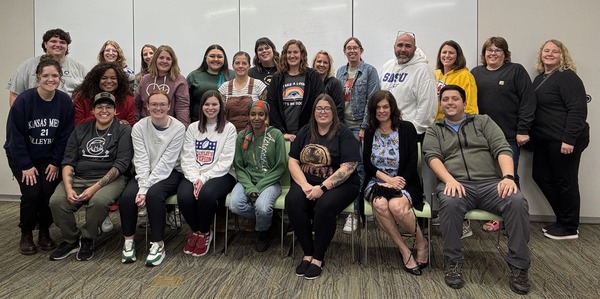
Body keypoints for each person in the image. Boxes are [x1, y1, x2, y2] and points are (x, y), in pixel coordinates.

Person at [423, 85, 531, 295]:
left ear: (464, 103)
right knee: (450, 201)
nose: (450, 102)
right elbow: (432, 157)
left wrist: (508, 177)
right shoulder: (434, 129)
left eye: (455, 98)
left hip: (491, 183)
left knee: (517, 201)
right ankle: (453, 262)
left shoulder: (483, 121)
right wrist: (449, 180)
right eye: (445, 99)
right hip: (456, 183)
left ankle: (519, 266)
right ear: (441, 104)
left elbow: (502, 147)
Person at [48, 92, 133, 262]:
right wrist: (69, 187)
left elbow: (122, 164)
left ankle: (87, 239)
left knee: (98, 202)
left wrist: (94, 188)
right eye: (99, 107)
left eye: (109, 107)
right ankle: (71, 240)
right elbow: (68, 161)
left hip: (111, 179)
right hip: (79, 176)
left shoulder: (123, 130)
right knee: (56, 202)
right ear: (92, 111)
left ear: (115, 111)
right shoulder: (81, 129)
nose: (104, 110)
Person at [4, 54, 75, 255]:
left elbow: (64, 136)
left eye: (54, 75)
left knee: (47, 193)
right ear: (38, 76)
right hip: (22, 156)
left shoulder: (64, 102)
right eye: (45, 76)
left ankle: (44, 231)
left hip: (48, 158)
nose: (50, 79)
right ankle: (26, 233)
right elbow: (15, 137)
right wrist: (25, 165)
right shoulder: (24, 101)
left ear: (60, 77)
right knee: (32, 192)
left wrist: (55, 162)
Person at [287, 94, 360, 280]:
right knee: (293, 201)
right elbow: (293, 161)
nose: (323, 112)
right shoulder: (305, 131)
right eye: (319, 108)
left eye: (327, 108)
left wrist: (323, 187)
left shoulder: (343, 133)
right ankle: (308, 252)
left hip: (341, 184)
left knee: (324, 206)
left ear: (334, 112)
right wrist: (304, 185)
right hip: (307, 182)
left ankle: (318, 257)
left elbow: (349, 167)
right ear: (314, 112)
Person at [471, 37, 535, 233]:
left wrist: (523, 129)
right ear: (484, 54)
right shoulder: (475, 73)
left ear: (505, 54)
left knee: (508, 176)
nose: (493, 53)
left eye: (498, 50)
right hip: (481, 137)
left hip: (508, 136)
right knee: (489, 177)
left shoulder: (516, 71)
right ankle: (496, 217)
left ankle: (514, 221)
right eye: (489, 50)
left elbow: (528, 101)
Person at [361, 90, 427, 276]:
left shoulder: (407, 128)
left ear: (392, 108)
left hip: (404, 181)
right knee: (381, 204)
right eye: (377, 108)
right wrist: (388, 180)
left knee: (397, 207)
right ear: (373, 111)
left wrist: (398, 182)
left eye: (385, 107)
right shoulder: (370, 132)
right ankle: (404, 249)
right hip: (378, 181)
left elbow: (413, 162)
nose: (381, 111)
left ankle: (422, 242)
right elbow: (367, 164)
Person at [119, 90, 185, 266]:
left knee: (154, 196)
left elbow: (167, 162)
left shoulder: (178, 128)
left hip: (170, 172)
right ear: (147, 106)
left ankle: (158, 244)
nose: (158, 108)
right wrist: (142, 185)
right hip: (144, 172)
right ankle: (129, 241)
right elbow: (140, 159)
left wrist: (145, 189)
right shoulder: (139, 127)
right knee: (127, 198)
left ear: (169, 106)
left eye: (162, 104)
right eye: (154, 104)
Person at [531, 40, 589, 240]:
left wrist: (569, 139)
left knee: (566, 181)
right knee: (540, 175)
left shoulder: (567, 77)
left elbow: (578, 109)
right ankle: (563, 218)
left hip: (564, 139)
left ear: (562, 56)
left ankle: (570, 227)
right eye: (546, 50)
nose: (549, 54)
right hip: (546, 140)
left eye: (555, 51)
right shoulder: (540, 79)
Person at [178, 90, 237, 257]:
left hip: (222, 174)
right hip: (194, 174)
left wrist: (203, 179)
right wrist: (196, 178)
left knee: (207, 195)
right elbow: (187, 157)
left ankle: (205, 232)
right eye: (207, 104)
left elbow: (226, 160)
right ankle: (196, 230)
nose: (210, 108)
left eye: (214, 104)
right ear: (201, 106)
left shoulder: (229, 128)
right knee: (184, 196)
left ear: (221, 106)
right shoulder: (192, 128)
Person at [434, 40, 479, 237]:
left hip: (457, 129)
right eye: (444, 52)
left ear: (457, 55)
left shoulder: (465, 75)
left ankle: (465, 222)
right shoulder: (435, 75)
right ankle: (448, 214)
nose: (447, 56)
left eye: (451, 53)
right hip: (437, 129)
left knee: (458, 173)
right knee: (441, 173)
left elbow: (470, 107)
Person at [336, 37, 380, 234]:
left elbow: (372, 100)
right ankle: (341, 208)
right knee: (341, 168)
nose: (352, 51)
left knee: (358, 169)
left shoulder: (369, 71)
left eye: (355, 48)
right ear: (345, 51)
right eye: (348, 48)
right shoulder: (340, 72)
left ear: (361, 50)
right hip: (342, 128)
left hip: (359, 128)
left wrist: (363, 127)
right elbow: (337, 100)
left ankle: (355, 214)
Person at [230, 100, 286, 252]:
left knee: (262, 207)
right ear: (248, 116)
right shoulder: (242, 136)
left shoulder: (276, 135)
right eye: (253, 114)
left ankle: (263, 232)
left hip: (271, 182)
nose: (256, 118)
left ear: (266, 116)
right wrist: (250, 187)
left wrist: (259, 187)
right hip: (247, 181)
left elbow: (281, 166)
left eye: (261, 114)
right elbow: (239, 167)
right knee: (235, 205)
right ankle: (271, 219)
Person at [379, 31, 437, 139]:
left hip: (410, 134)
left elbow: (427, 107)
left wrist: (412, 132)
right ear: (394, 47)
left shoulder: (424, 71)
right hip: (386, 131)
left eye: (408, 46)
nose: (403, 49)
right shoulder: (387, 66)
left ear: (415, 49)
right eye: (400, 45)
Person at [8, 28, 87, 105]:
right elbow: (15, 93)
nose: (58, 45)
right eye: (53, 41)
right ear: (45, 44)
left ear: (67, 46)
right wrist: (18, 115)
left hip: (68, 114)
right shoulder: (28, 66)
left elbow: (88, 94)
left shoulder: (79, 67)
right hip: (35, 114)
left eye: (62, 42)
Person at [267, 39, 324, 142]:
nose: (292, 56)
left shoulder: (312, 76)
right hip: (283, 137)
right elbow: (272, 106)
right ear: (284, 55)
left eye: (296, 52)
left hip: (309, 135)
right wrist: (282, 133)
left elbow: (319, 103)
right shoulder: (277, 78)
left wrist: (308, 130)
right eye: (289, 52)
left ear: (302, 55)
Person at [135, 45, 190, 127]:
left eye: (168, 59)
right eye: (161, 58)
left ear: (173, 62)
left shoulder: (179, 80)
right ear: (155, 59)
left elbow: (182, 108)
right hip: (146, 127)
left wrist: (183, 129)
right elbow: (137, 105)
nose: (164, 61)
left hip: (170, 128)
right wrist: (135, 125)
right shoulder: (145, 79)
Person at [218, 51, 268, 131]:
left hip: (254, 133)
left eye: (244, 63)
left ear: (249, 66)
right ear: (233, 66)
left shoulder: (258, 85)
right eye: (237, 63)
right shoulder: (224, 87)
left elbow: (266, 114)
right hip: (229, 133)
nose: (240, 66)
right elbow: (220, 115)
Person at [187, 44, 234, 123]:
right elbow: (186, 104)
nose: (216, 59)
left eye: (219, 57)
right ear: (206, 58)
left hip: (226, 124)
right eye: (212, 56)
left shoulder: (233, 76)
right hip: (198, 123)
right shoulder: (194, 76)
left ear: (224, 59)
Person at [312, 50, 344, 121]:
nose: (322, 65)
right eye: (319, 61)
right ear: (314, 63)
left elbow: (339, 109)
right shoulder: (309, 83)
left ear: (329, 66)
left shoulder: (334, 83)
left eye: (325, 62)